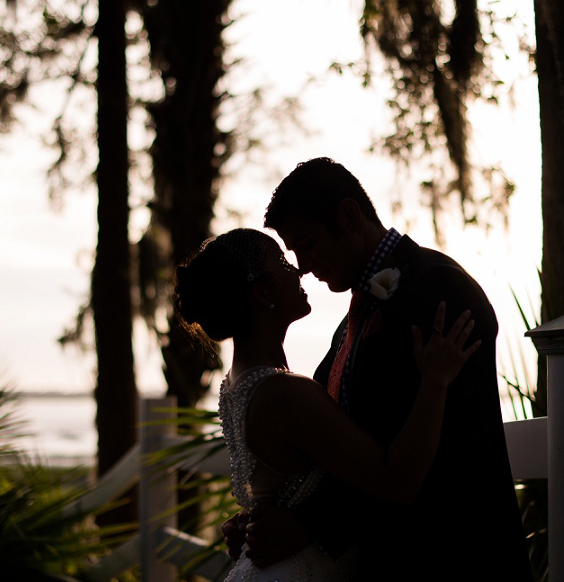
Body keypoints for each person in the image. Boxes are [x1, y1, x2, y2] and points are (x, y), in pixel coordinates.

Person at [226, 157, 533, 580]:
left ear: (350, 217)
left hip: (452, 555)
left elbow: (418, 454)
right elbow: (331, 442)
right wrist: (268, 515)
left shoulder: (439, 290)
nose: (303, 266)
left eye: (308, 244)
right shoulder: (350, 321)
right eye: (294, 252)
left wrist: (309, 525)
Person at [174, 228, 481, 582]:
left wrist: (252, 519)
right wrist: (434, 382)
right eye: (281, 261)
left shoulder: (238, 382)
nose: (298, 270)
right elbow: (395, 481)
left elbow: (275, 487)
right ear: (261, 292)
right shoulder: (286, 393)